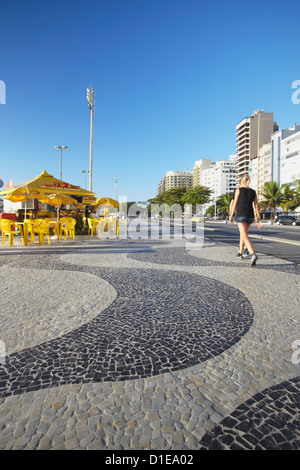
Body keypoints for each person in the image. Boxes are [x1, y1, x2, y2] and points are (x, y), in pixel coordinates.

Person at [229, 174, 262, 266]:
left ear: (240, 182)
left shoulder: (238, 190)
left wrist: (231, 215)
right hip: (250, 215)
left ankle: (252, 253)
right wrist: (258, 219)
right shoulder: (253, 192)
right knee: (243, 234)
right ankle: (240, 253)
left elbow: (234, 203)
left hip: (241, 214)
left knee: (244, 234)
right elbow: (256, 206)